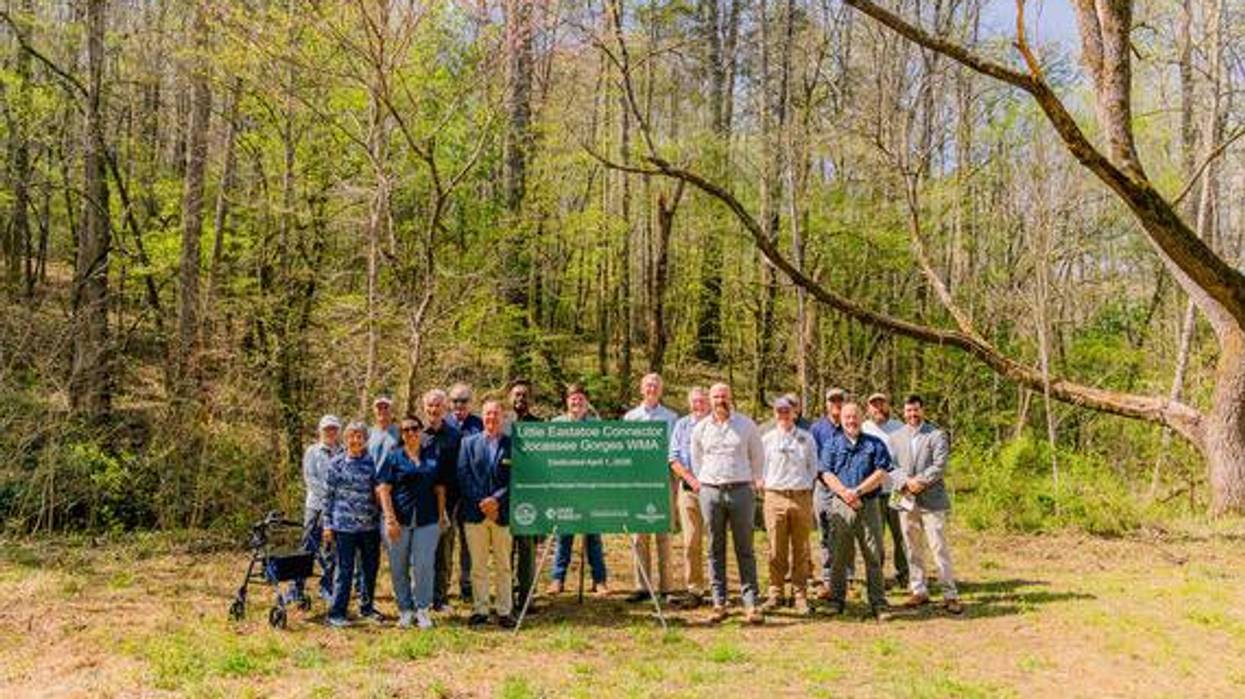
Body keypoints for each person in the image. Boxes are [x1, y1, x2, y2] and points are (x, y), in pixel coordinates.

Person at [691, 383, 765, 624]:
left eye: (724, 396)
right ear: (709, 400)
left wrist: (752, 482)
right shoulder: (701, 428)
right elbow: (697, 460)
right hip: (711, 492)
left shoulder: (746, 425)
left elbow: (758, 457)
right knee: (715, 549)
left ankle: (751, 603)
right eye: (715, 396)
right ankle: (718, 602)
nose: (720, 400)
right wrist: (707, 483)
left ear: (730, 398)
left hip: (741, 491)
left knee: (745, 549)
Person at [889, 395, 963, 615]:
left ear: (923, 410)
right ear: (903, 412)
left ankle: (950, 594)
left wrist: (918, 482)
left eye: (916, 410)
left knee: (938, 547)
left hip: (932, 500)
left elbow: (939, 465)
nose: (912, 414)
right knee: (912, 547)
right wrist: (905, 482)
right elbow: (891, 465)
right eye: (909, 410)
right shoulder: (895, 437)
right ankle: (918, 590)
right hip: (905, 499)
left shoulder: (936, 434)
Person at [819, 402, 892, 620]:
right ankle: (836, 601)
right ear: (841, 420)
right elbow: (826, 473)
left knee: (873, 554)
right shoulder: (831, 444)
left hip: (868, 505)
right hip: (841, 505)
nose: (851, 421)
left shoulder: (875, 444)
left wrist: (858, 492)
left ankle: (878, 603)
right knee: (839, 554)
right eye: (847, 417)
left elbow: (881, 472)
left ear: (862, 418)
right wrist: (845, 493)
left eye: (855, 417)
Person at [376, 414, 445, 629]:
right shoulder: (394, 457)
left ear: (421, 431)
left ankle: (423, 609)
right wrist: (390, 519)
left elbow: (440, 489)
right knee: (398, 567)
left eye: (414, 428)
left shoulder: (433, 456)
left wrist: (442, 515)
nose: (411, 433)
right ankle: (405, 610)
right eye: (405, 430)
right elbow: (383, 489)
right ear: (401, 434)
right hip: (399, 521)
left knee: (424, 566)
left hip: (428, 519)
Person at [548, 383, 609, 595]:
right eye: (573, 398)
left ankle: (599, 580)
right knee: (563, 535)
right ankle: (557, 579)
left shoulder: (596, 425)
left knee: (593, 536)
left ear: (586, 402)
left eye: (581, 398)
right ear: (567, 401)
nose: (577, 402)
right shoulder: (556, 425)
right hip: (565, 490)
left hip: (591, 490)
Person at [458, 400, 516, 628]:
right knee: (478, 566)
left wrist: (497, 500)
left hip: (502, 514)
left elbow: (515, 479)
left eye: (496, 414)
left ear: (503, 418)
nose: (492, 418)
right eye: (488, 414)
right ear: (482, 417)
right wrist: (483, 501)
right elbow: (463, 476)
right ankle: (480, 609)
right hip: (475, 513)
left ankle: (504, 611)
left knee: (503, 565)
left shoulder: (512, 445)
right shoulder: (468, 443)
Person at [623, 373, 678, 604]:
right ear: (641, 389)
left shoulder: (671, 417)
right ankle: (641, 586)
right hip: (637, 480)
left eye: (656, 385)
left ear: (661, 390)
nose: (652, 388)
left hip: (663, 478)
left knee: (663, 534)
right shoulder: (630, 417)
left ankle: (667, 588)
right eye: (648, 385)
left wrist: (674, 482)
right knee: (639, 535)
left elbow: (674, 450)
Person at [760, 396, 818, 615]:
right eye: (779, 411)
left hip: (801, 496)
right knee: (776, 548)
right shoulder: (767, 439)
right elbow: (760, 468)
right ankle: (775, 593)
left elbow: (813, 468)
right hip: (774, 496)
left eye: (787, 411)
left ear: (794, 413)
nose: (783, 415)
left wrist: (803, 488)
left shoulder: (807, 438)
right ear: (775, 413)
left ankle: (800, 594)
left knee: (801, 548)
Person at [323, 421, 384, 628]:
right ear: (346, 438)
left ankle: (367, 608)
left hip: (369, 527)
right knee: (344, 571)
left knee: (369, 569)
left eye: (360, 436)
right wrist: (327, 525)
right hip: (344, 527)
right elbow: (328, 497)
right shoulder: (336, 464)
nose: (356, 440)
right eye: (352, 436)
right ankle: (336, 612)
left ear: (365, 440)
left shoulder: (371, 463)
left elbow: (379, 493)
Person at [289, 414, 342, 604]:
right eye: (327, 429)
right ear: (320, 431)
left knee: (331, 549)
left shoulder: (343, 452)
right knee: (307, 547)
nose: (330, 432)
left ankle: (326, 587)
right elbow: (310, 479)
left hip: (337, 509)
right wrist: (328, 497)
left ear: (338, 432)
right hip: (315, 507)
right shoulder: (312, 451)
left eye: (334, 429)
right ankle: (296, 588)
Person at [422, 389, 465, 610]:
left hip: (448, 504)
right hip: (422, 505)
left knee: (444, 552)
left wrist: (453, 505)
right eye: (430, 405)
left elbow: (461, 471)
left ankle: (440, 598)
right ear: (424, 408)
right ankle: (423, 596)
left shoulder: (455, 436)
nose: (433, 409)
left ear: (445, 407)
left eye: (437, 405)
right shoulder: (417, 435)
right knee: (422, 552)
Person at [668, 387, 709, 607]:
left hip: (714, 490)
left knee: (715, 541)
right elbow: (673, 458)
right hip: (688, 490)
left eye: (702, 401)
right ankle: (695, 589)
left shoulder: (717, 424)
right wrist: (691, 480)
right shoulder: (681, 425)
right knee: (691, 541)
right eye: (695, 401)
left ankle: (717, 589)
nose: (698, 405)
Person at [863, 392, 909, 590]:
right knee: (875, 537)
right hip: (874, 492)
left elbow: (908, 458)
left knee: (903, 535)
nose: (878, 408)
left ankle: (905, 575)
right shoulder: (863, 428)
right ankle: (877, 577)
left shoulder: (900, 427)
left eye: (882, 404)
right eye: (874, 405)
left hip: (899, 490)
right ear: (868, 408)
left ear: (889, 406)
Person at [504, 379, 541, 610]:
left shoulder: (540, 425)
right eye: (516, 394)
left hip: (530, 496)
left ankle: (526, 597)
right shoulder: (502, 424)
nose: (520, 399)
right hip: (505, 495)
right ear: (509, 397)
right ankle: (506, 596)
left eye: (524, 395)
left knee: (527, 550)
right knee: (505, 550)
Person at [809, 387, 847, 598]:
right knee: (824, 532)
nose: (837, 404)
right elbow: (812, 458)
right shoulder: (817, 429)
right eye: (833, 400)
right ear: (826, 403)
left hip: (846, 487)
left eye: (840, 400)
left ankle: (846, 578)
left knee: (844, 531)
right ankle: (827, 578)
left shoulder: (850, 423)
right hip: (823, 486)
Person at [446, 382, 482, 601]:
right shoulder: (444, 423)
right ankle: (443, 583)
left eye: (464, 400)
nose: (459, 405)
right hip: (447, 493)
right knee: (446, 540)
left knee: (469, 541)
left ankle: (467, 583)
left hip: (471, 492)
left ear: (471, 403)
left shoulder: (479, 424)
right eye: (455, 401)